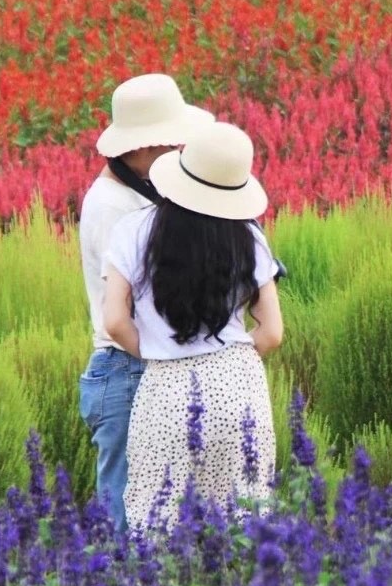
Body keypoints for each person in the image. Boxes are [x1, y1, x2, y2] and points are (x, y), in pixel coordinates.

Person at [102, 122, 284, 532]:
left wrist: (156, 351)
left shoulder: (133, 230)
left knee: (157, 526)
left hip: (166, 391)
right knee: (243, 525)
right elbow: (271, 333)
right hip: (240, 388)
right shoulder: (249, 237)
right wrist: (228, 357)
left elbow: (114, 321)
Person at [79, 73, 213, 532]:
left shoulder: (145, 193)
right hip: (126, 368)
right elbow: (124, 317)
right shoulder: (115, 207)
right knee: (126, 522)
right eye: (169, 142)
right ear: (139, 148)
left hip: (145, 364)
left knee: (164, 516)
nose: (179, 150)